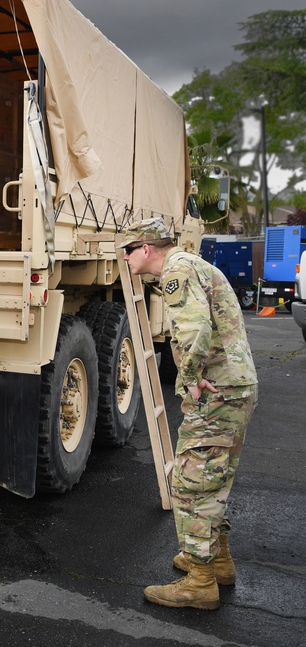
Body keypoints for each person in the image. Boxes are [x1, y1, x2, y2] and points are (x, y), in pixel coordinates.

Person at [118, 217, 257, 611]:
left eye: (128, 250)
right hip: (234, 387)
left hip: (218, 392)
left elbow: (194, 330)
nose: (124, 257)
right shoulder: (193, 264)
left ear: (147, 249)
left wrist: (192, 377)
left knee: (191, 482)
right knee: (213, 479)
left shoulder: (177, 270)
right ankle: (219, 562)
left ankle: (199, 580)